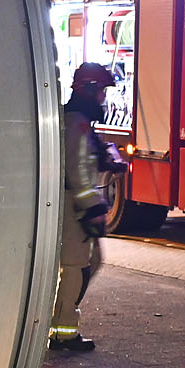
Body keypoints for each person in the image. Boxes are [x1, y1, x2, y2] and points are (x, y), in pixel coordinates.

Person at [50, 62, 117, 353]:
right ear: (89, 90)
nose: (103, 98)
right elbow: (77, 171)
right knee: (76, 268)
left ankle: (60, 324)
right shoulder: (77, 123)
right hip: (74, 208)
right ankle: (64, 332)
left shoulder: (77, 121)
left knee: (87, 263)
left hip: (74, 205)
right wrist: (92, 208)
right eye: (101, 91)